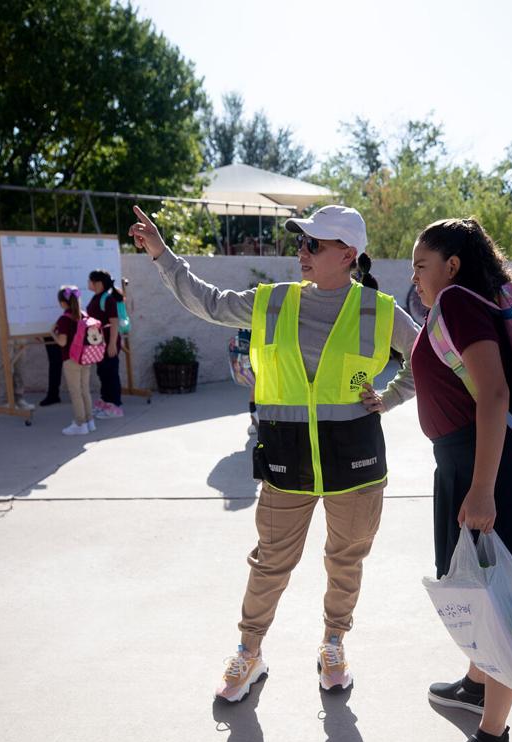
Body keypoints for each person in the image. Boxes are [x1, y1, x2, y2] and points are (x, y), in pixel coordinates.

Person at [129, 203, 419, 703]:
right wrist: (161, 254)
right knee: (270, 562)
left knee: (345, 561)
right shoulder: (275, 301)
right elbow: (209, 302)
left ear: (347, 254)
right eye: (300, 241)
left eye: (313, 243)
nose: (301, 251)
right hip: (287, 461)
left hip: (357, 465)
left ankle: (334, 644)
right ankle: (249, 652)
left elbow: (429, 360)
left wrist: (391, 397)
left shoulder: (380, 311)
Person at [395, 217, 512, 742]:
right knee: (478, 584)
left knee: (504, 602)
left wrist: (483, 486)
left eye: (421, 265)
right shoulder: (461, 305)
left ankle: (494, 740)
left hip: (487, 466)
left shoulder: (459, 303)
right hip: (468, 462)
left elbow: (493, 392)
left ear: (452, 266)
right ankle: (475, 682)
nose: (415, 277)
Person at [0, 258, 32, 409]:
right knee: (7, 359)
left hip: (17, 320)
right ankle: (6, 399)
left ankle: (19, 397)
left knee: (20, 357)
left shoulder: (18, 276)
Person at [51, 286, 96, 436]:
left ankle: (80, 424)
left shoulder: (64, 319)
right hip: (86, 358)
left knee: (75, 392)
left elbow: (62, 342)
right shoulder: (84, 315)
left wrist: (52, 333)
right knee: (85, 390)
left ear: (63, 303)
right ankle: (90, 422)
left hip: (71, 360)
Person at [87, 270, 124, 418]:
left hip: (108, 342)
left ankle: (115, 406)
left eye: (90, 280)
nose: (88, 283)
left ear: (98, 283)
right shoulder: (97, 297)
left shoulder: (108, 299)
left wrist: (112, 344)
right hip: (99, 343)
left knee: (110, 373)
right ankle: (105, 402)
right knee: (102, 372)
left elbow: (114, 322)